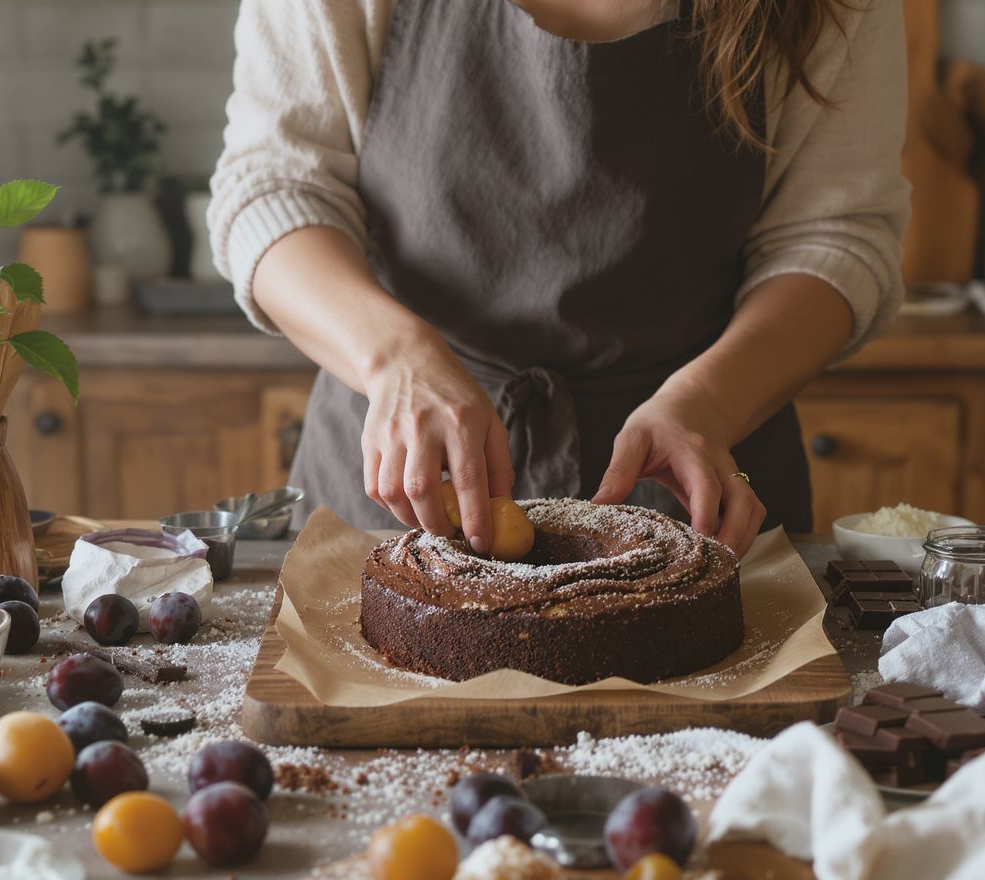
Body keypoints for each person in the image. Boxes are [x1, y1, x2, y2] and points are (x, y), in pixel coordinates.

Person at [209, 0, 909, 559]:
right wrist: (395, 358)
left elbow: (833, 236)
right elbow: (272, 190)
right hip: (405, 496)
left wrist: (709, 403)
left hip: (697, 492)